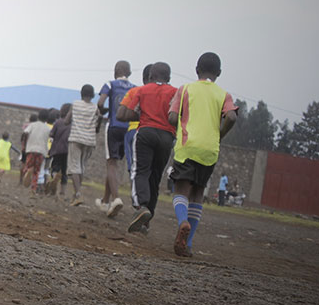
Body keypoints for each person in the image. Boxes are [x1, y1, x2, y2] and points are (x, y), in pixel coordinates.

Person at [168, 53, 237, 257]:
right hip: (210, 150)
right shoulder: (224, 95)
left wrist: (180, 127)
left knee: (181, 190)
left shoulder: (185, 89)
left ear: (197, 69)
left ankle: (183, 222)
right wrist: (220, 135)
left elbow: (172, 116)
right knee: (198, 193)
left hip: (188, 146)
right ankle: (188, 244)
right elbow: (231, 116)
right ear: (219, 73)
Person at [119, 61, 176, 234]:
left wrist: (142, 113)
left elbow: (123, 114)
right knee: (156, 177)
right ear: (169, 78)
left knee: (140, 171)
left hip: (145, 133)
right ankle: (147, 220)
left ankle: (140, 206)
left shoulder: (142, 90)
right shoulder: (176, 92)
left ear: (150, 76)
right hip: (167, 137)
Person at [96, 60, 135, 215]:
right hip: (128, 128)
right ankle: (105, 201)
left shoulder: (110, 84)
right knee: (114, 163)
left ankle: (116, 198)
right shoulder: (134, 88)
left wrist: (104, 110)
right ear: (129, 73)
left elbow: (100, 102)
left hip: (113, 126)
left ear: (115, 71)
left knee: (111, 164)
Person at [64, 85, 99, 205]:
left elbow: (66, 121)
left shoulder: (75, 104)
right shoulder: (95, 108)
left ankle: (78, 194)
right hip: (89, 140)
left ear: (81, 93)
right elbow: (97, 126)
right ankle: (76, 194)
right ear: (93, 95)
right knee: (81, 167)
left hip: (76, 138)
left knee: (74, 167)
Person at [22, 109, 51, 191]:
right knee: (37, 171)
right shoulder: (48, 128)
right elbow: (51, 138)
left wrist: (24, 146)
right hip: (41, 152)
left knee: (28, 165)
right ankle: (33, 188)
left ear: (38, 116)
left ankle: (28, 171)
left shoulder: (32, 125)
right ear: (47, 118)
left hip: (31, 149)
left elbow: (25, 133)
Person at [46, 105, 70, 195]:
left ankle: (55, 176)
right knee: (65, 171)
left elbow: (51, 135)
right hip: (67, 150)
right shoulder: (72, 124)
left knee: (55, 166)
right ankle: (62, 192)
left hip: (56, 150)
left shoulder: (58, 122)